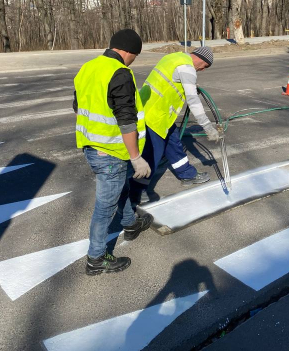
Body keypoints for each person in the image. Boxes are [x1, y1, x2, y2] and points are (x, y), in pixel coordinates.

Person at [73, 28, 154, 276]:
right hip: (111, 151)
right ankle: (96, 259)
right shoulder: (120, 73)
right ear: (128, 51)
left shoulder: (88, 67)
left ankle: (130, 223)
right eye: (135, 56)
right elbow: (126, 120)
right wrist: (136, 157)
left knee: (121, 188)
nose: (133, 61)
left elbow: (77, 105)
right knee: (105, 208)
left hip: (91, 147)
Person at [129, 47, 220, 206]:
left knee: (173, 142)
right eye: (204, 67)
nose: (202, 70)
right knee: (153, 153)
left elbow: (172, 81)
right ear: (202, 61)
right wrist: (207, 126)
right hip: (156, 116)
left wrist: (189, 85)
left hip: (150, 108)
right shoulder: (187, 69)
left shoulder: (174, 57)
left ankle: (187, 173)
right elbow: (193, 101)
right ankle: (137, 190)